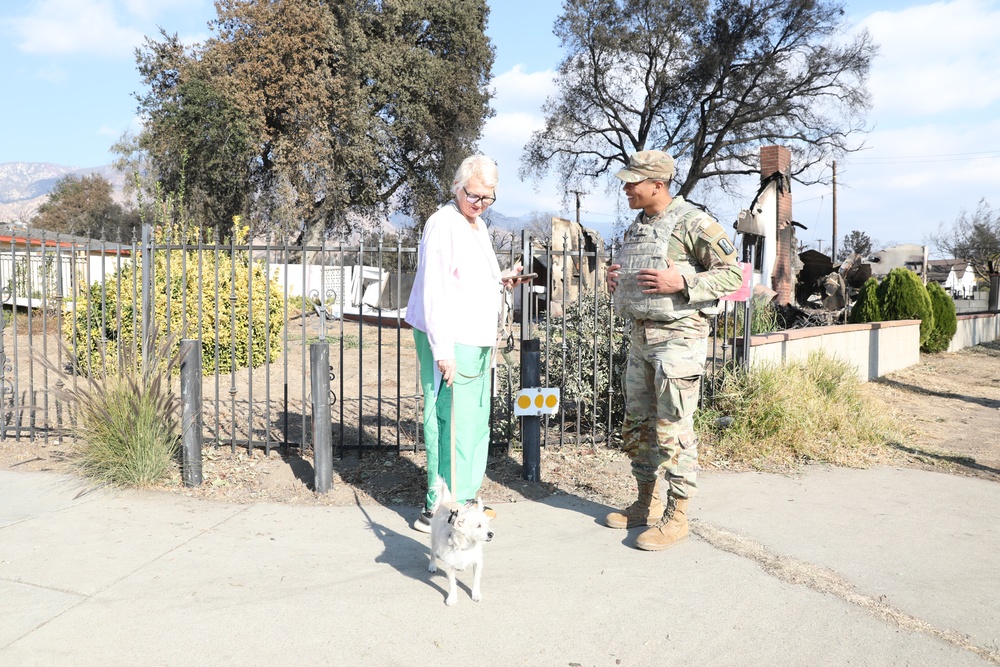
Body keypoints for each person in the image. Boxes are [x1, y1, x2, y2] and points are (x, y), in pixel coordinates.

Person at [605, 150, 742, 551]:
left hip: (678, 341)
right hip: (640, 339)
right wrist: (617, 279)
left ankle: (677, 515)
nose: (626, 188)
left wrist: (681, 280)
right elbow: (639, 273)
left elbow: (733, 273)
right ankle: (643, 503)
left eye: (633, 182)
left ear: (657, 185)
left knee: (673, 429)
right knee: (639, 424)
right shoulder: (638, 226)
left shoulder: (694, 222)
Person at [405, 155, 526, 533]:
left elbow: (467, 279)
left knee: (474, 423)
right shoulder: (443, 223)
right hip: (452, 339)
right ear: (457, 187)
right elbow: (435, 289)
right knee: (449, 422)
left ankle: (467, 498)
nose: (480, 204)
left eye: (488, 198)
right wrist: (442, 351)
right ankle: (440, 509)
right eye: (474, 195)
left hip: (477, 340)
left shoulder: (477, 226)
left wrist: (500, 279)